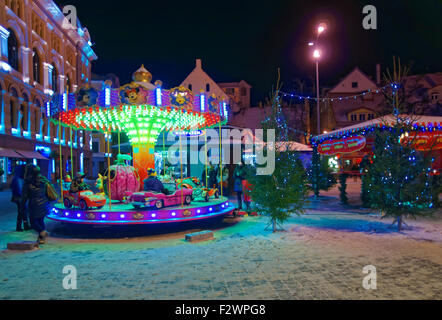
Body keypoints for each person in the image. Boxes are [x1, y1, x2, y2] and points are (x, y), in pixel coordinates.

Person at [22, 165, 52, 244]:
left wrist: (22, 205)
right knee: (40, 221)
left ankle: (42, 232)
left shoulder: (28, 182)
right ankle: (41, 239)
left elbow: (25, 196)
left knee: (33, 223)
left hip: (34, 205)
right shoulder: (43, 180)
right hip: (44, 204)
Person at [10, 164, 30, 231]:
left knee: (23, 211)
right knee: (22, 211)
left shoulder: (16, 178)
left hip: (18, 198)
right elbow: (20, 190)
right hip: (20, 198)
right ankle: (20, 226)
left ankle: (25, 225)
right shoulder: (18, 179)